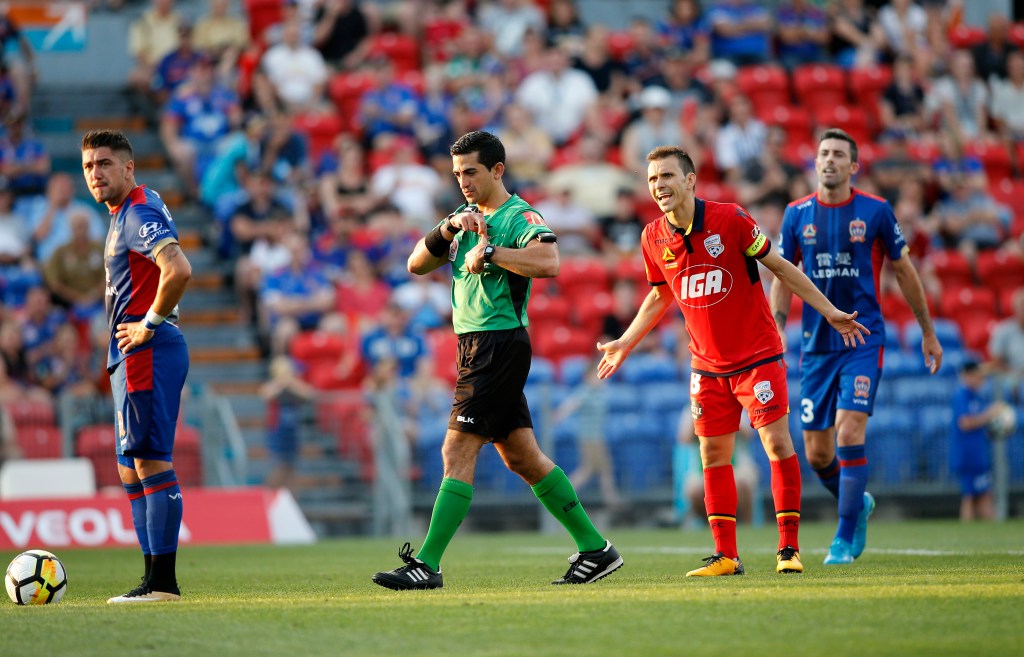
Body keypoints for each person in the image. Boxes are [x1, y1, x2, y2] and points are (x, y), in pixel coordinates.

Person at [598, 145, 869, 577]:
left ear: (690, 180)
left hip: (757, 356)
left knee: (777, 445)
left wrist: (829, 310)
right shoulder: (653, 237)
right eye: (652, 180)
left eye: (667, 176)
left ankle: (788, 550)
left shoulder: (731, 219)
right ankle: (726, 556)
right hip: (706, 365)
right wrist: (625, 342)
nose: (658, 186)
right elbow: (658, 294)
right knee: (712, 455)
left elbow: (781, 268)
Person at [372, 131, 622, 590]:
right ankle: (596, 549)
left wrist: (489, 252)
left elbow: (549, 261)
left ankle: (427, 563)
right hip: (477, 344)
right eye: (457, 173)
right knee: (523, 457)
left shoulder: (517, 215)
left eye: (471, 171)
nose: (463, 181)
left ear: (497, 170)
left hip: (497, 342)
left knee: (456, 449)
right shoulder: (463, 217)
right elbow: (415, 265)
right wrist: (449, 229)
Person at [769, 128, 942, 566]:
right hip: (816, 346)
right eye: (823, 153)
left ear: (853, 165)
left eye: (838, 154)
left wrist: (927, 330)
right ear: (815, 162)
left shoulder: (877, 211)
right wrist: (776, 330)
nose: (829, 160)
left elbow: (904, 271)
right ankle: (857, 503)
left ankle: (844, 538)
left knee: (849, 430)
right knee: (817, 452)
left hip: (863, 340)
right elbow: (783, 276)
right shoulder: (796, 214)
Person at [81, 129, 193, 603]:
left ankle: (163, 583)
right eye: (88, 166)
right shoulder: (124, 212)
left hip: (146, 348)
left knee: (149, 460)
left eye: (104, 164)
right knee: (130, 465)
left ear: (128, 168)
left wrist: (149, 322)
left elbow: (179, 268)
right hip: (131, 352)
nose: (95, 174)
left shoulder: (139, 210)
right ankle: (149, 579)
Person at [950, 360, 1001, 522]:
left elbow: (979, 425)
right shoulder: (962, 396)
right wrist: (989, 415)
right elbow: (964, 423)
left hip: (978, 454)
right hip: (967, 455)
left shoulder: (977, 397)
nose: (981, 380)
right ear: (967, 376)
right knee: (970, 496)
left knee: (982, 494)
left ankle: (987, 527)